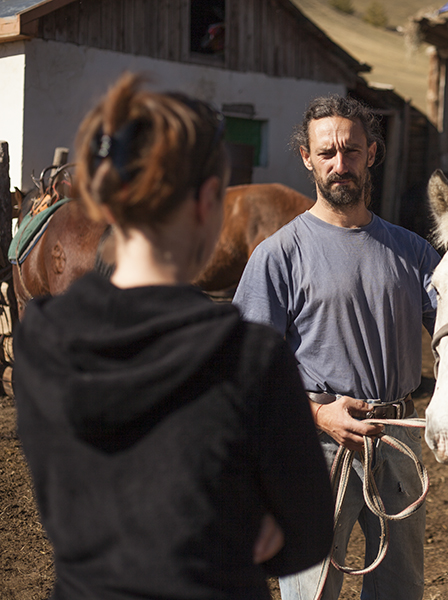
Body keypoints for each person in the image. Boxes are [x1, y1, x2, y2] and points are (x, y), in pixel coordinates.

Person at [13, 73, 334, 600]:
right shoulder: (251, 358)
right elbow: (308, 536)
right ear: (209, 202)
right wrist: (242, 526)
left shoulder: (40, 339)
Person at [232, 94, 440, 600]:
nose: (339, 164)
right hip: (314, 446)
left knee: (400, 591)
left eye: (350, 150)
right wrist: (319, 416)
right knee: (311, 591)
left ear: (371, 153)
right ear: (307, 158)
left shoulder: (413, 252)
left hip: (398, 442)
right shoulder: (279, 254)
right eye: (326, 153)